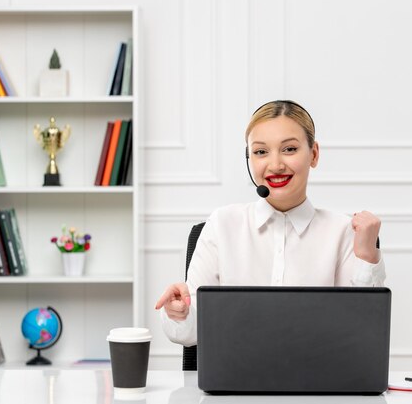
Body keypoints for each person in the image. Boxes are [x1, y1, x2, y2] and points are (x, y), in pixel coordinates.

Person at [155, 100, 386, 346]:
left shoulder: (342, 231)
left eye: (289, 149)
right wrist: (179, 313)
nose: (275, 165)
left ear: (314, 154)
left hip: (318, 380)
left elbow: (360, 331)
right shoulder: (222, 225)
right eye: (261, 152)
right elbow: (190, 334)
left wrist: (366, 257)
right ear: (249, 158)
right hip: (234, 379)